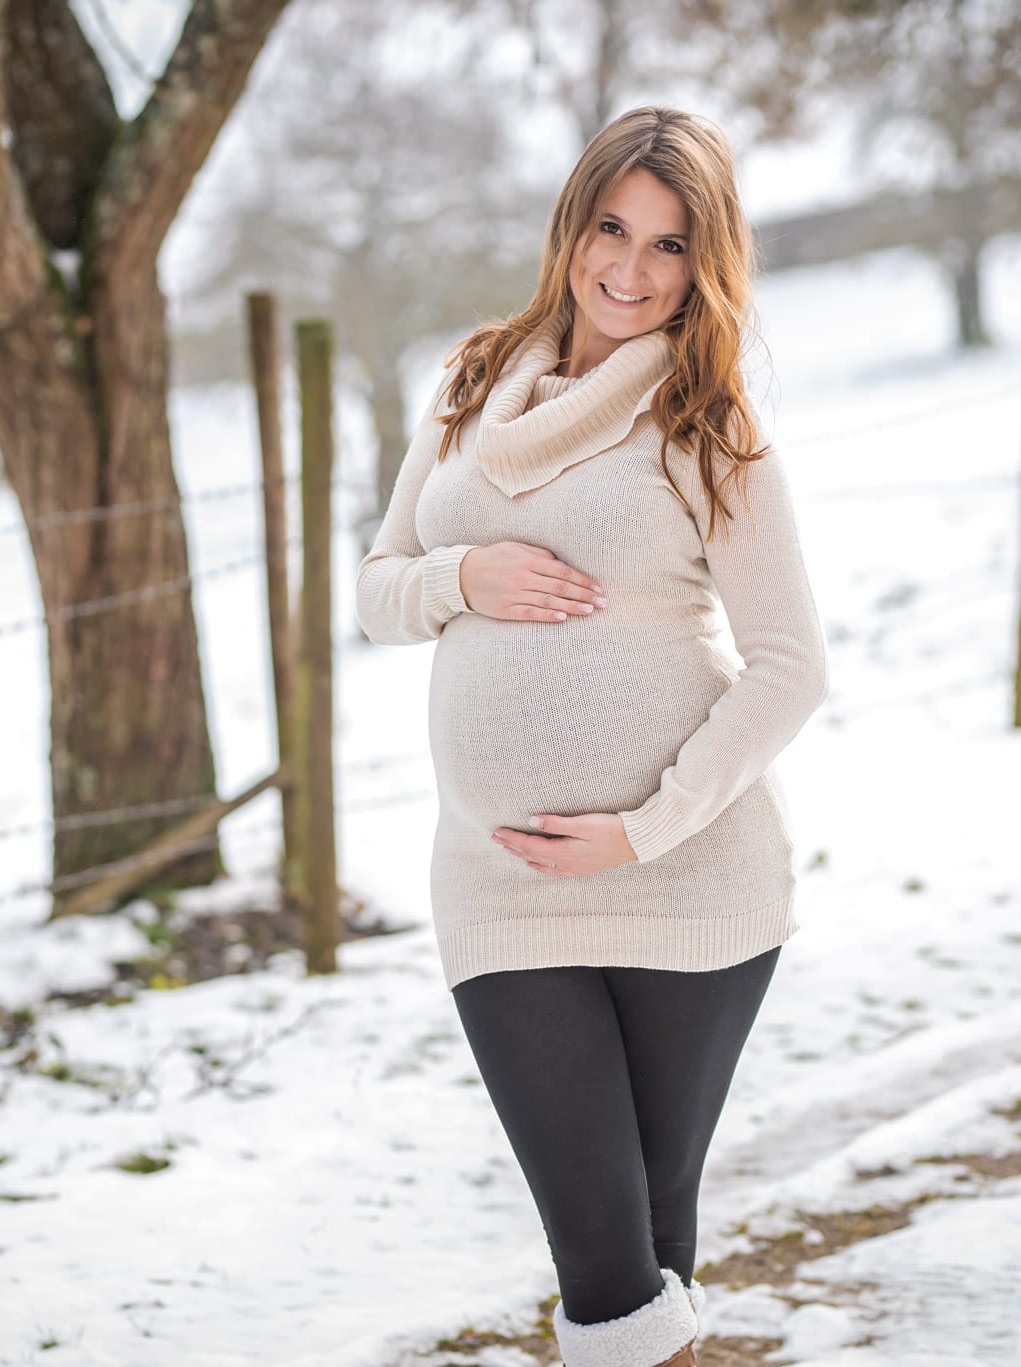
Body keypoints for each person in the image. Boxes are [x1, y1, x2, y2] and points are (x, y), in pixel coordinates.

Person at [353, 106, 830, 1367]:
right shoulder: (468, 385)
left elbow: (789, 666)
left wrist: (641, 827)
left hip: (689, 878)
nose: (630, 269)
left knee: (645, 1258)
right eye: (610, 228)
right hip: (500, 885)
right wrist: (465, 577)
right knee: (608, 1264)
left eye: (669, 247)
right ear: (572, 226)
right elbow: (378, 586)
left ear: (704, 263)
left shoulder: (706, 424)